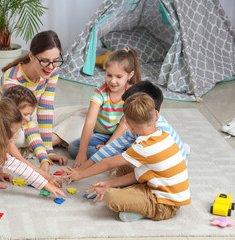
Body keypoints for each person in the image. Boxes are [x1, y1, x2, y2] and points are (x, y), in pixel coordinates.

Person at [62, 93, 191, 222]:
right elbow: (139, 173)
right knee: (122, 169)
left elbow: (107, 163)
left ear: (127, 125)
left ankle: (142, 210)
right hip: (157, 185)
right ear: (156, 115)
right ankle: (133, 197)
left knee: (112, 197)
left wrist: (81, 174)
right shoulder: (163, 133)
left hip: (165, 205)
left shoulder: (144, 147)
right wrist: (108, 183)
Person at [0, 30, 67, 173]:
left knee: (82, 113)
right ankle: (54, 138)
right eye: (44, 60)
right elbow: (27, 122)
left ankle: (48, 140)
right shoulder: (12, 80)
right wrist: (43, 157)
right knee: (17, 139)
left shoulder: (52, 71)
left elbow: (45, 108)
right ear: (31, 55)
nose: (50, 67)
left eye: (55, 61)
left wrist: (48, 151)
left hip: (30, 116)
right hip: (9, 123)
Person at [76, 80, 188, 172]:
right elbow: (113, 146)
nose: (124, 118)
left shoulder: (158, 137)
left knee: (125, 173)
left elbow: (109, 163)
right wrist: (82, 169)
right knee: (77, 147)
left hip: (163, 172)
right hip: (143, 154)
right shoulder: (138, 125)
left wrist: (83, 173)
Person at [68, 47, 141, 168]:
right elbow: (90, 123)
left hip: (123, 136)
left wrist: (107, 147)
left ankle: (120, 158)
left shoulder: (132, 94)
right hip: (101, 135)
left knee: (138, 145)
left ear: (130, 75)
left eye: (118, 77)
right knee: (73, 148)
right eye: (109, 75)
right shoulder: (100, 93)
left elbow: (124, 125)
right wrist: (82, 153)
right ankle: (122, 159)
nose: (113, 81)